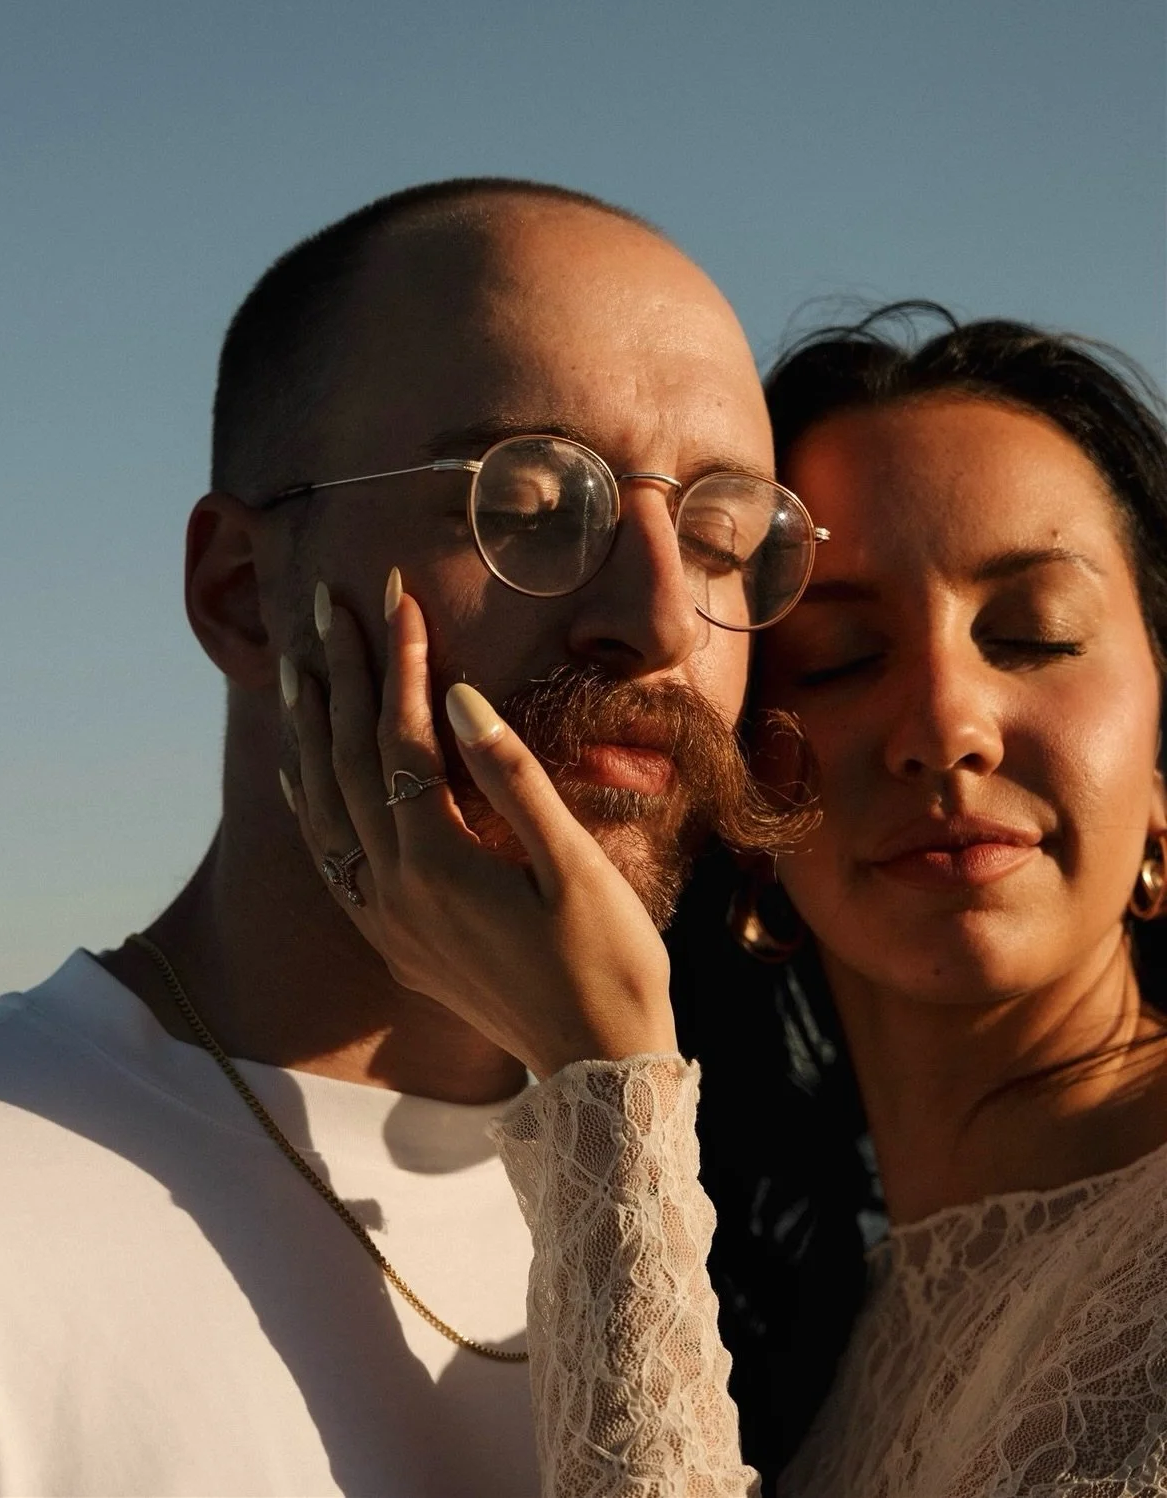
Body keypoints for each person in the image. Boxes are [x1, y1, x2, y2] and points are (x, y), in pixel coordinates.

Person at [0, 178, 820, 1497]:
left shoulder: (759, 1252)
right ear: (243, 594)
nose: (659, 618)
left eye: (720, 535)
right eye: (530, 504)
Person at [285, 308, 1167, 1497]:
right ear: (742, 789)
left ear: (1160, 763)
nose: (948, 727)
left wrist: (603, 1075)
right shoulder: (815, 1335)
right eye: (847, 654)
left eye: (1033, 635)